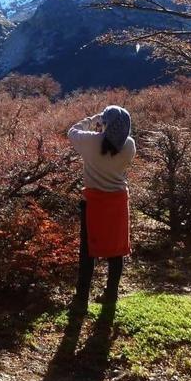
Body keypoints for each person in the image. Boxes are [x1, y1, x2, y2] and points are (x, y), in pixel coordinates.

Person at [68, 105, 136, 313]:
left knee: (88, 251)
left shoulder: (90, 141)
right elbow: (114, 144)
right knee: (116, 250)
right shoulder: (130, 145)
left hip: (94, 201)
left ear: (105, 123)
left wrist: (93, 118)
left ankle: (81, 300)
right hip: (117, 201)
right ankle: (111, 295)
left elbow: (72, 131)